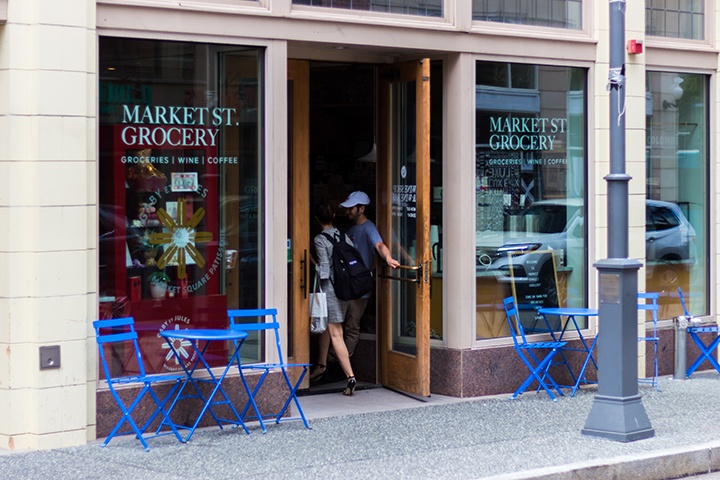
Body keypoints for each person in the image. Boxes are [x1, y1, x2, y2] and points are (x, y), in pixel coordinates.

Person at [338, 191, 400, 359]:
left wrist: (388, 258)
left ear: (361, 209)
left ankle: (341, 362)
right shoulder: (351, 228)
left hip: (360, 286)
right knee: (340, 325)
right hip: (347, 284)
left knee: (351, 325)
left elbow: (379, 245)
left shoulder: (369, 227)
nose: (348, 211)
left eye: (351, 208)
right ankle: (335, 359)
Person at [309, 200, 357, 396]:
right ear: (334, 216)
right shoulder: (344, 235)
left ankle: (350, 376)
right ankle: (321, 365)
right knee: (329, 329)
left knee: (336, 333)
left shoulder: (320, 240)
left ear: (316, 219)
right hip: (345, 289)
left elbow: (324, 272)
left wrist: (310, 260)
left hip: (331, 291)